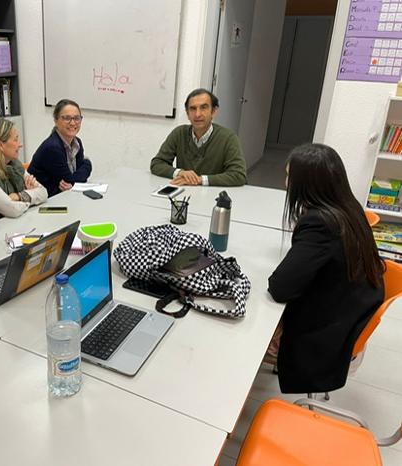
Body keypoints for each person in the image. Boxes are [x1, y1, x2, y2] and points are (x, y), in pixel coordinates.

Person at [267, 143, 385, 394]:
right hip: (348, 315)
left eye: (290, 177)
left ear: (308, 185)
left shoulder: (320, 223)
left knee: (252, 320)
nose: (286, 184)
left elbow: (280, 287)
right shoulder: (349, 207)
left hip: (325, 335)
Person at [150, 88, 247, 186]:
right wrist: (180, 173)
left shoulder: (228, 138)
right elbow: (157, 163)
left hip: (214, 195)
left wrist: (200, 180)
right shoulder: (179, 133)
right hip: (184, 192)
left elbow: (238, 175)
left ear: (213, 111)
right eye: (192, 109)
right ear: (187, 114)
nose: (197, 114)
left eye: (203, 107)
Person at [0, 118, 47, 218]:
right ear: (0, 145)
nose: (20, 144)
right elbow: (12, 209)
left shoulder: (14, 163)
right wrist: (30, 195)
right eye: (15, 140)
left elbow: (43, 192)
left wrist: (19, 196)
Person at [28, 99, 92, 197]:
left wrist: (86, 166)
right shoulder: (52, 147)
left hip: (64, 197)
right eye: (67, 118)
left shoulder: (77, 142)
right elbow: (69, 180)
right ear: (56, 121)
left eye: (77, 118)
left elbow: (76, 181)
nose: (73, 123)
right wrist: (87, 164)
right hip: (45, 201)